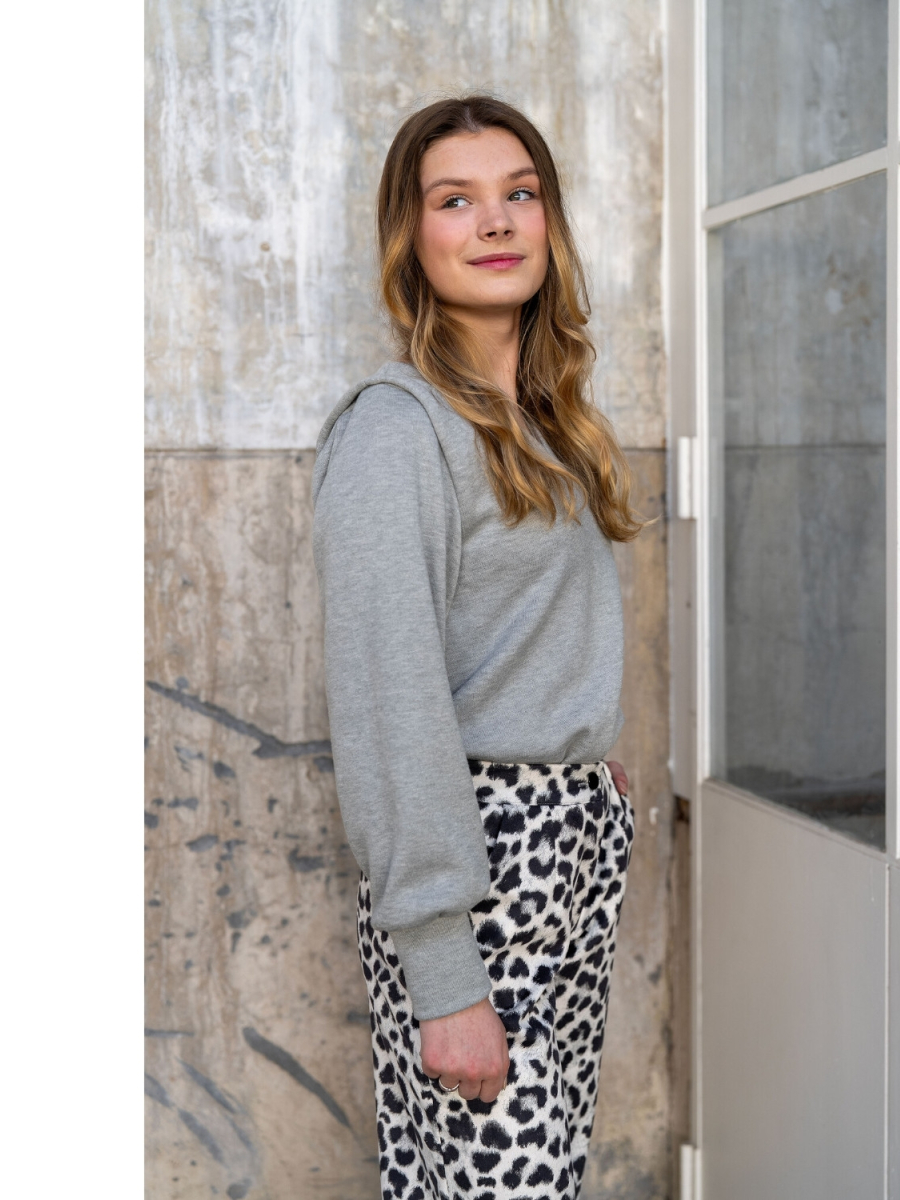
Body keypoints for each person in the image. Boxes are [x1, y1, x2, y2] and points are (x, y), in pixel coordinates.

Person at [312, 94, 642, 1200]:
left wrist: (581, 759)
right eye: (456, 200)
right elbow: (389, 702)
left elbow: (520, 637)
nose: (496, 221)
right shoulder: (394, 432)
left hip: (565, 843)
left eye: (520, 193)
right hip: (476, 864)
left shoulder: (544, 418)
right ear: (411, 237)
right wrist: (445, 976)